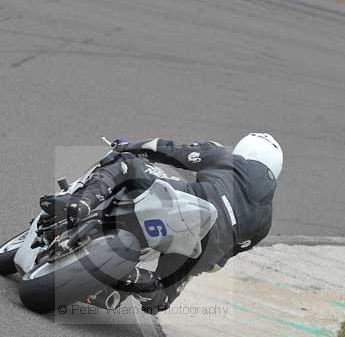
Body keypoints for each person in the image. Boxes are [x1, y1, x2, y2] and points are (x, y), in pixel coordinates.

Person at [39, 133, 283, 314]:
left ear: (244, 150)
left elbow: (165, 149)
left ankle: (82, 202)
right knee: (161, 297)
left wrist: (126, 146)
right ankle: (135, 280)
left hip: (191, 202)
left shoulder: (223, 155)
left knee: (126, 162)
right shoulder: (265, 222)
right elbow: (217, 264)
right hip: (205, 249)